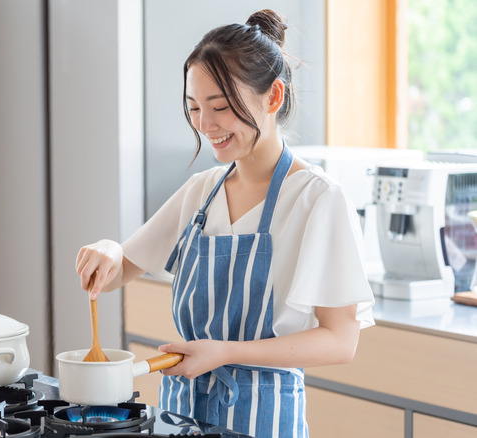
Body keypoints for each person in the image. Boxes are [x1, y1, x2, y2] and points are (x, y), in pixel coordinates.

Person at [74, 9, 375, 438]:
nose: (204, 124)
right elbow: (123, 265)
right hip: (183, 416)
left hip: (264, 422)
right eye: (194, 107)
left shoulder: (317, 199)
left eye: (220, 107)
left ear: (272, 97)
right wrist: (107, 248)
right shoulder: (202, 191)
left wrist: (225, 352)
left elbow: (340, 341)